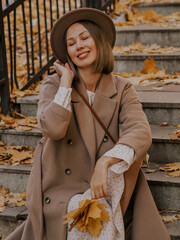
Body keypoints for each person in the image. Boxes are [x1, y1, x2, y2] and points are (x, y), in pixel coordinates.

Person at [7, 8, 170, 240]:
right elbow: (53, 128)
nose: (79, 46)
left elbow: (140, 131)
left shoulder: (122, 88)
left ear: (99, 41)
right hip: (62, 188)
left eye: (85, 38)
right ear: (67, 53)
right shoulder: (54, 84)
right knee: (85, 218)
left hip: (108, 183)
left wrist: (104, 163)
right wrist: (65, 82)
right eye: (71, 43)